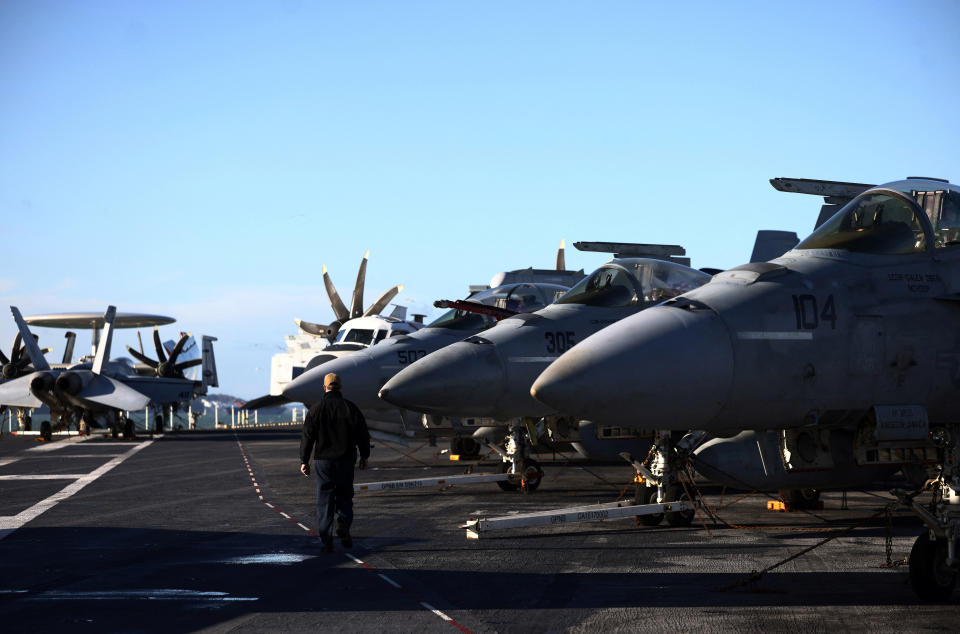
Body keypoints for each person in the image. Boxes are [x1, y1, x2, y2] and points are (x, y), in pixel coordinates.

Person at [300, 372, 370, 552]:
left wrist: (304, 460)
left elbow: (308, 437)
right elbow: (362, 434)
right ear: (340, 387)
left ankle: (326, 540)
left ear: (324, 388)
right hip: (346, 459)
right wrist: (364, 456)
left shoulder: (316, 409)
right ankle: (343, 526)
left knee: (325, 499)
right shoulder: (351, 408)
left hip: (323, 461)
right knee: (345, 496)